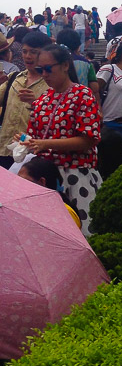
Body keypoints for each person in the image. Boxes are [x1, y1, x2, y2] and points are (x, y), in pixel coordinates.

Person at [16, 43, 102, 236]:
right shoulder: (43, 99)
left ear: (65, 66)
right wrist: (25, 141)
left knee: (83, 233)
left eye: (48, 69)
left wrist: (45, 144)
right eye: (40, 69)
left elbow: (89, 140)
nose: (44, 74)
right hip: (45, 178)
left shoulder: (83, 95)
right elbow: (36, 138)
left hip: (76, 176)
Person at [0, 30, 50, 169]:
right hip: (4, 150)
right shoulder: (14, 78)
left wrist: (36, 103)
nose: (27, 56)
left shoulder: (51, 83)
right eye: (24, 51)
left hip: (31, 154)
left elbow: (57, 118)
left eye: (33, 52)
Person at [18, 156, 82, 229]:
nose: (19, 185)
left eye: (23, 181)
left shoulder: (66, 214)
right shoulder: (24, 208)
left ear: (42, 182)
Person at [57, 28, 100, 104]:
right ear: (78, 46)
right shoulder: (86, 63)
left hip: (57, 103)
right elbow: (95, 87)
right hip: (81, 103)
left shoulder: (52, 62)